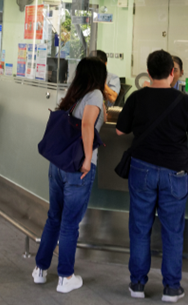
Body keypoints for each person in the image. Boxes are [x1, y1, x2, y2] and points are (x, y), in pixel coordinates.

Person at [116, 50, 188, 302]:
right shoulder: (184, 101)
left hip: (141, 170)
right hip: (175, 173)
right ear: (172, 72)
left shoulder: (137, 97)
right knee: (173, 231)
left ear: (148, 70)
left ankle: (137, 285)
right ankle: (172, 288)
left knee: (140, 227)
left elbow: (121, 131)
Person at [32, 57, 106, 294]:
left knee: (54, 217)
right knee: (69, 223)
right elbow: (87, 125)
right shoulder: (94, 94)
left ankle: (40, 270)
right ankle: (66, 276)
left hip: (58, 165)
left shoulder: (72, 93)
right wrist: (86, 159)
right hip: (77, 167)